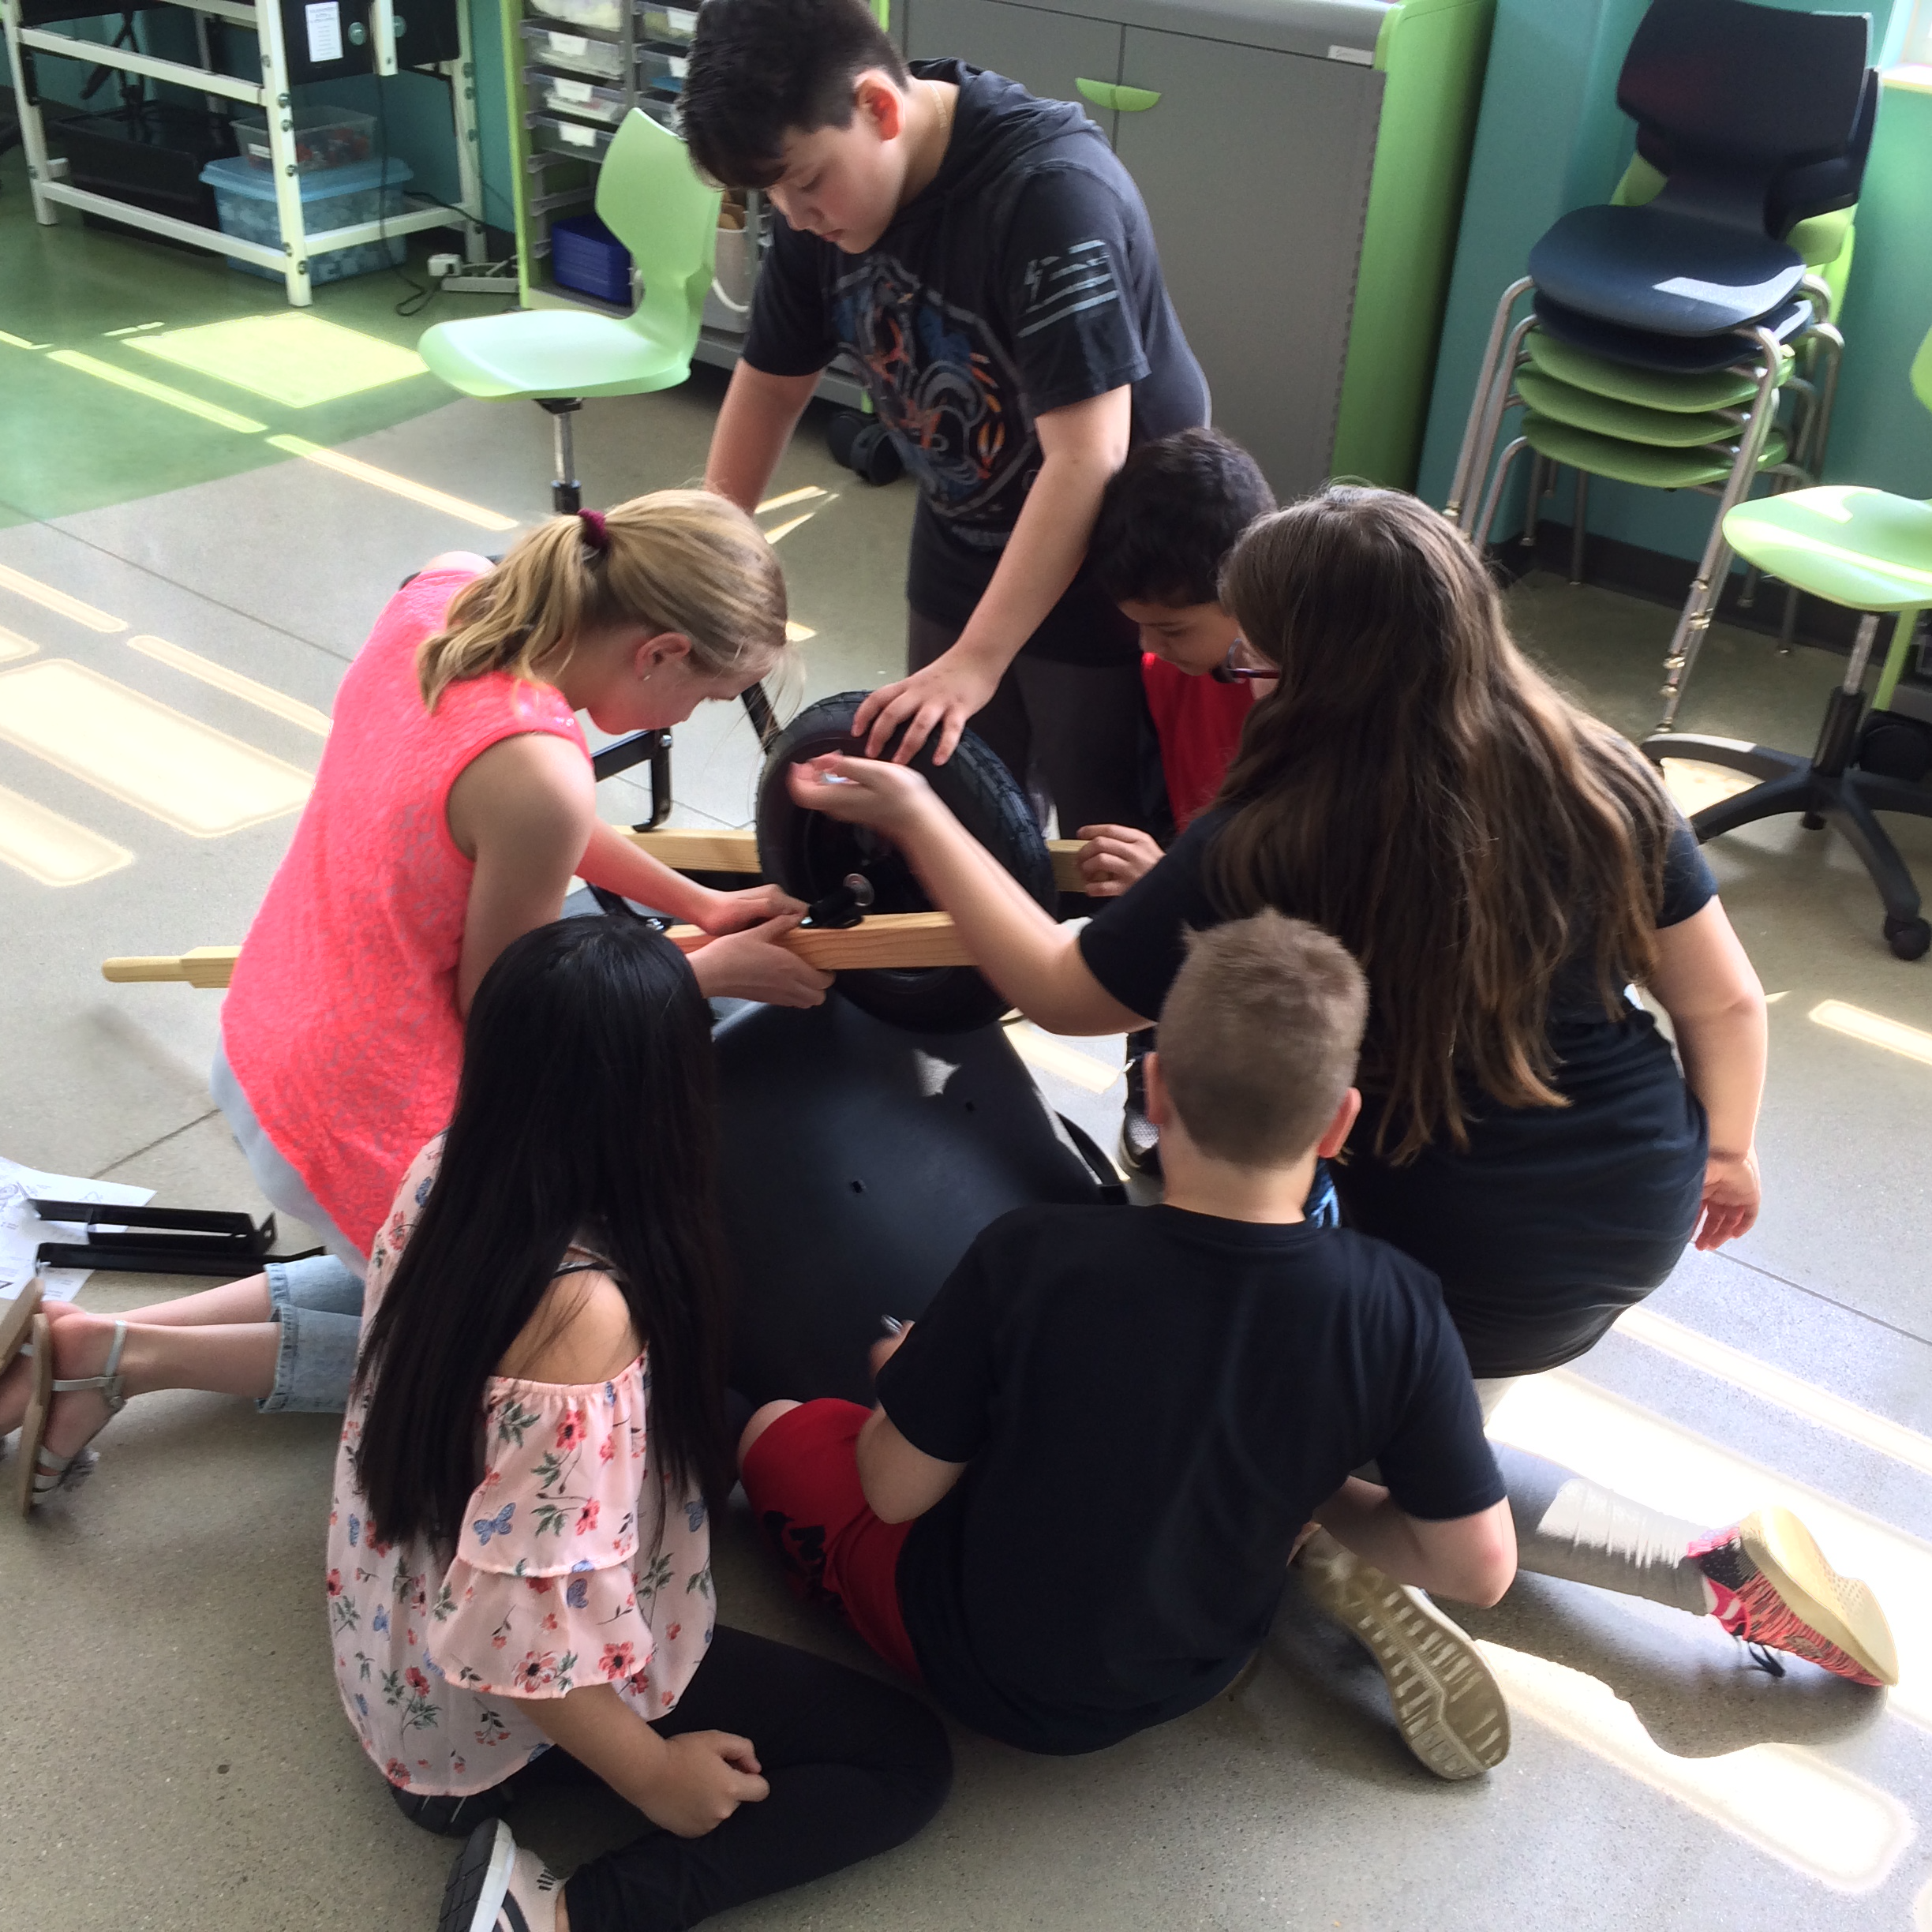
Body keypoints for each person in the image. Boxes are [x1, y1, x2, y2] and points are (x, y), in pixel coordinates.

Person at [778, 485, 1900, 1763]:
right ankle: (1347, 1517)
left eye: (1255, 658)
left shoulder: (1272, 835)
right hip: (1642, 1191)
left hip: (1464, 1239)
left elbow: (1055, 983)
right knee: (1385, 1396)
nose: (1243, 680)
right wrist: (1730, 1148)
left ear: (1315, 669)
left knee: (1283, 1407)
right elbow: (1723, 997)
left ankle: (1681, 1561)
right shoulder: (1597, 768)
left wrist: (920, 816)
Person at [6, 494, 832, 1507]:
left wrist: (696, 900)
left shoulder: (446, 593)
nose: (690, 718)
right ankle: (128, 1364)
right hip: (366, 1117)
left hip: (272, 1031)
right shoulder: (542, 775)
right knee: (526, 1361)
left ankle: (89, 1337)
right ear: (659, 651)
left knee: (443, 1269)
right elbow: (516, 1016)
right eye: (709, 695)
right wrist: (703, 969)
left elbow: (510, 813)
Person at [738, 913, 1518, 1776]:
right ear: (1339, 1125)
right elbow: (1478, 1568)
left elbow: (891, 1493)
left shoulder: (1030, 1256)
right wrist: (1312, 1486)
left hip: (983, 1670)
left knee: (776, 1426)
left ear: (1153, 1092)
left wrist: (903, 1379)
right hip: (1197, 1668)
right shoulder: (1399, 1306)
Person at [331, 915, 951, 1932]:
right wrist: (655, 1774)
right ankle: (569, 1916)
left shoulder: (451, 1166)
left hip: (393, 1641)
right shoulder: (584, 1323)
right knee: (902, 1760)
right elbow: (512, 1642)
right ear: (662, 1099)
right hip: (476, 1735)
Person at [683, 0, 1209, 837]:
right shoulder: (814, 200)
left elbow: (1087, 457)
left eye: (809, 182)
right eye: (772, 194)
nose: (796, 215)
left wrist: (980, 659)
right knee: (957, 806)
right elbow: (773, 383)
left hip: (1109, 556)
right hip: (964, 528)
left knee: (1102, 838)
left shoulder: (1049, 195)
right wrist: (704, 557)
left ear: (880, 108)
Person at [1076, 426, 1275, 1173]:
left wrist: (1174, 882)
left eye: (1172, 628)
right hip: (1200, 886)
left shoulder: (1311, 695)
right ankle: (1150, 1074)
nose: (1152, 645)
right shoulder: (1165, 672)